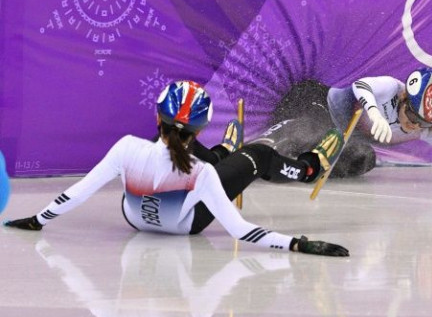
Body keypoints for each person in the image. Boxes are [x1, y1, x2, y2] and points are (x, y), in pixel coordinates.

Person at [3, 80, 349, 256]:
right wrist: (299, 245)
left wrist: (37, 220)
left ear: (157, 118)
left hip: (134, 219)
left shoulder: (126, 147)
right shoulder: (202, 174)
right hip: (186, 225)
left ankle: (222, 151)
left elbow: (79, 192)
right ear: (199, 131)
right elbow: (241, 231)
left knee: (207, 162)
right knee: (258, 154)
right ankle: (308, 169)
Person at [252, 68, 432, 190]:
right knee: (308, 128)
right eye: (412, 114)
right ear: (404, 97)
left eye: (423, 123)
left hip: (338, 135)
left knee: (364, 158)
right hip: (313, 101)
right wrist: (373, 114)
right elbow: (362, 87)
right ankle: (253, 153)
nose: (414, 125)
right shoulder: (391, 86)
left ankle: (292, 163)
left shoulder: (428, 128)